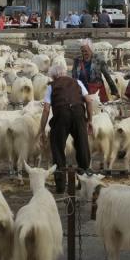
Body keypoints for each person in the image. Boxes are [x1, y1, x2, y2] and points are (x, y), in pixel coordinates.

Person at [37, 63, 94, 194]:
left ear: (53, 76)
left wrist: (42, 130)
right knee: (82, 147)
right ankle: (84, 181)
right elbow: (89, 101)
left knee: (57, 148)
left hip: (61, 116)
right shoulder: (77, 82)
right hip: (78, 115)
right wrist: (90, 120)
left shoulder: (51, 86)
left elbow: (46, 109)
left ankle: (61, 185)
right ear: (65, 73)